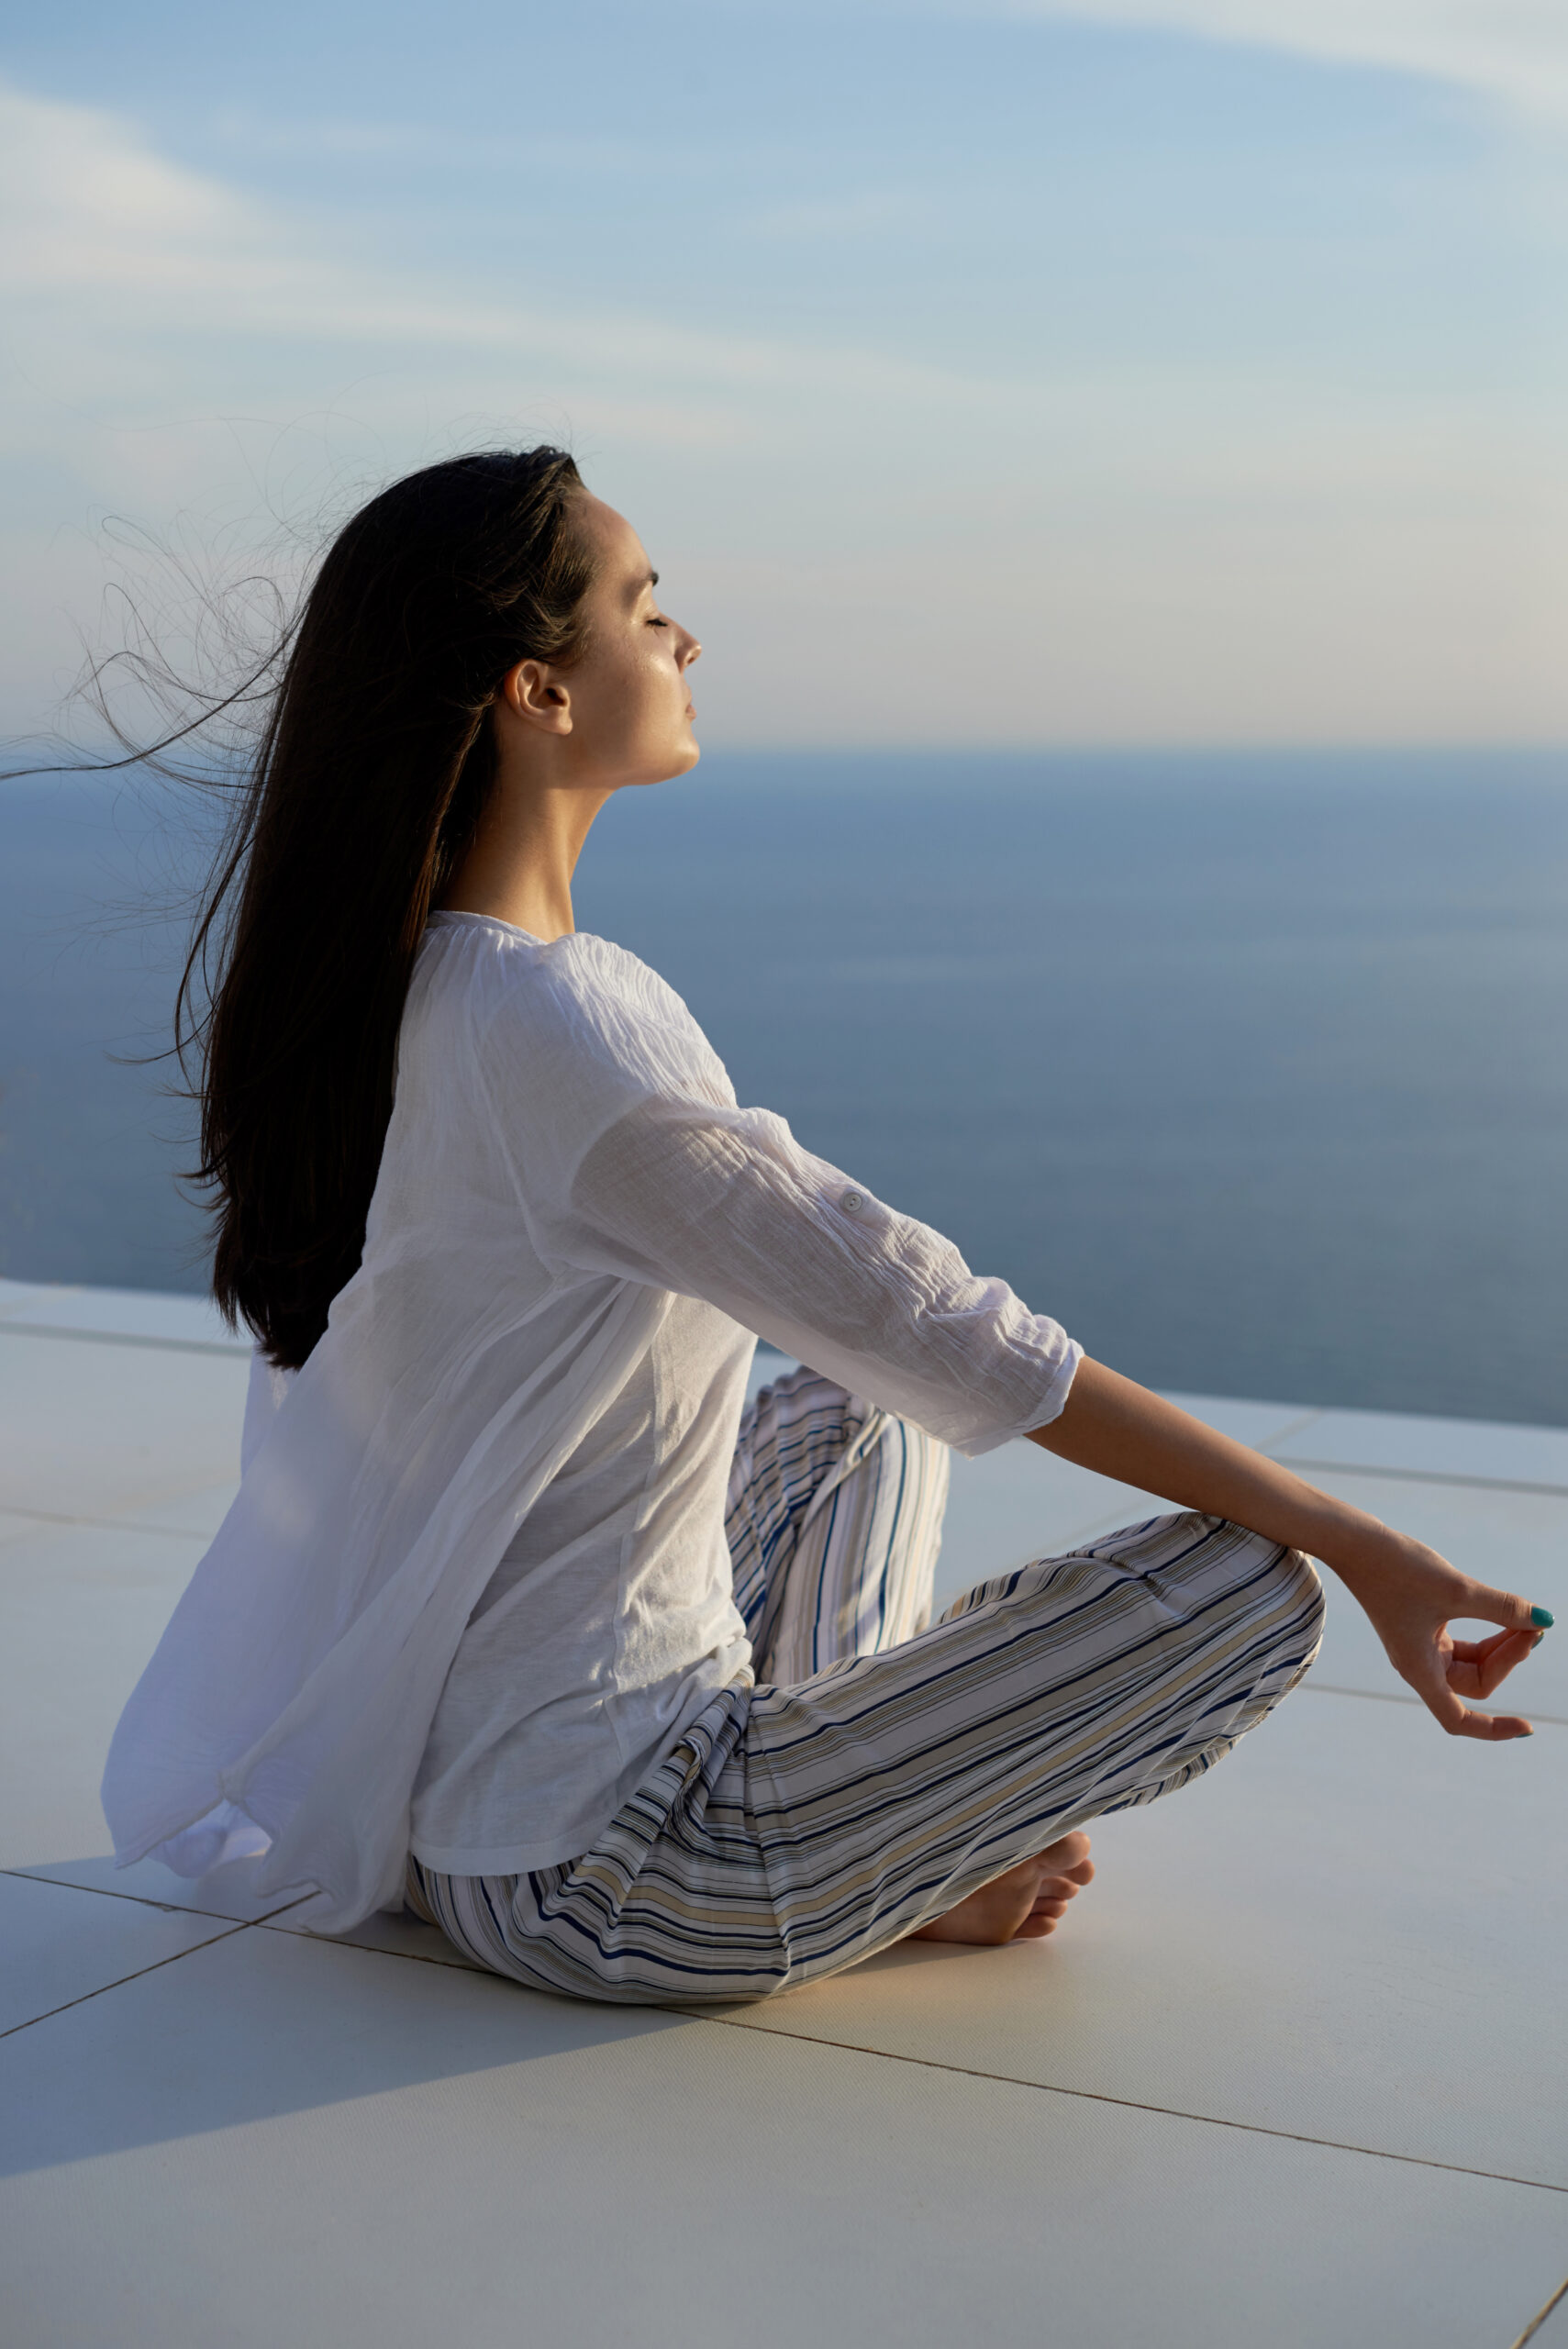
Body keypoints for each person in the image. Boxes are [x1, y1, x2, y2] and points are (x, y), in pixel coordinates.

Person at [101, 448, 1551, 2004]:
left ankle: (891, 1835)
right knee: (1251, 1586)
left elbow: (895, 1356)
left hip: (472, 1814)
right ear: (540, 692)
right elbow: (952, 1329)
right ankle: (898, 1860)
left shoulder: (415, 989)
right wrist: (1363, 1544)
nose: (684, 641)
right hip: (614, 1872)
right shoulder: (563, 1023)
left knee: (863, 1417)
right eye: (644, 609)